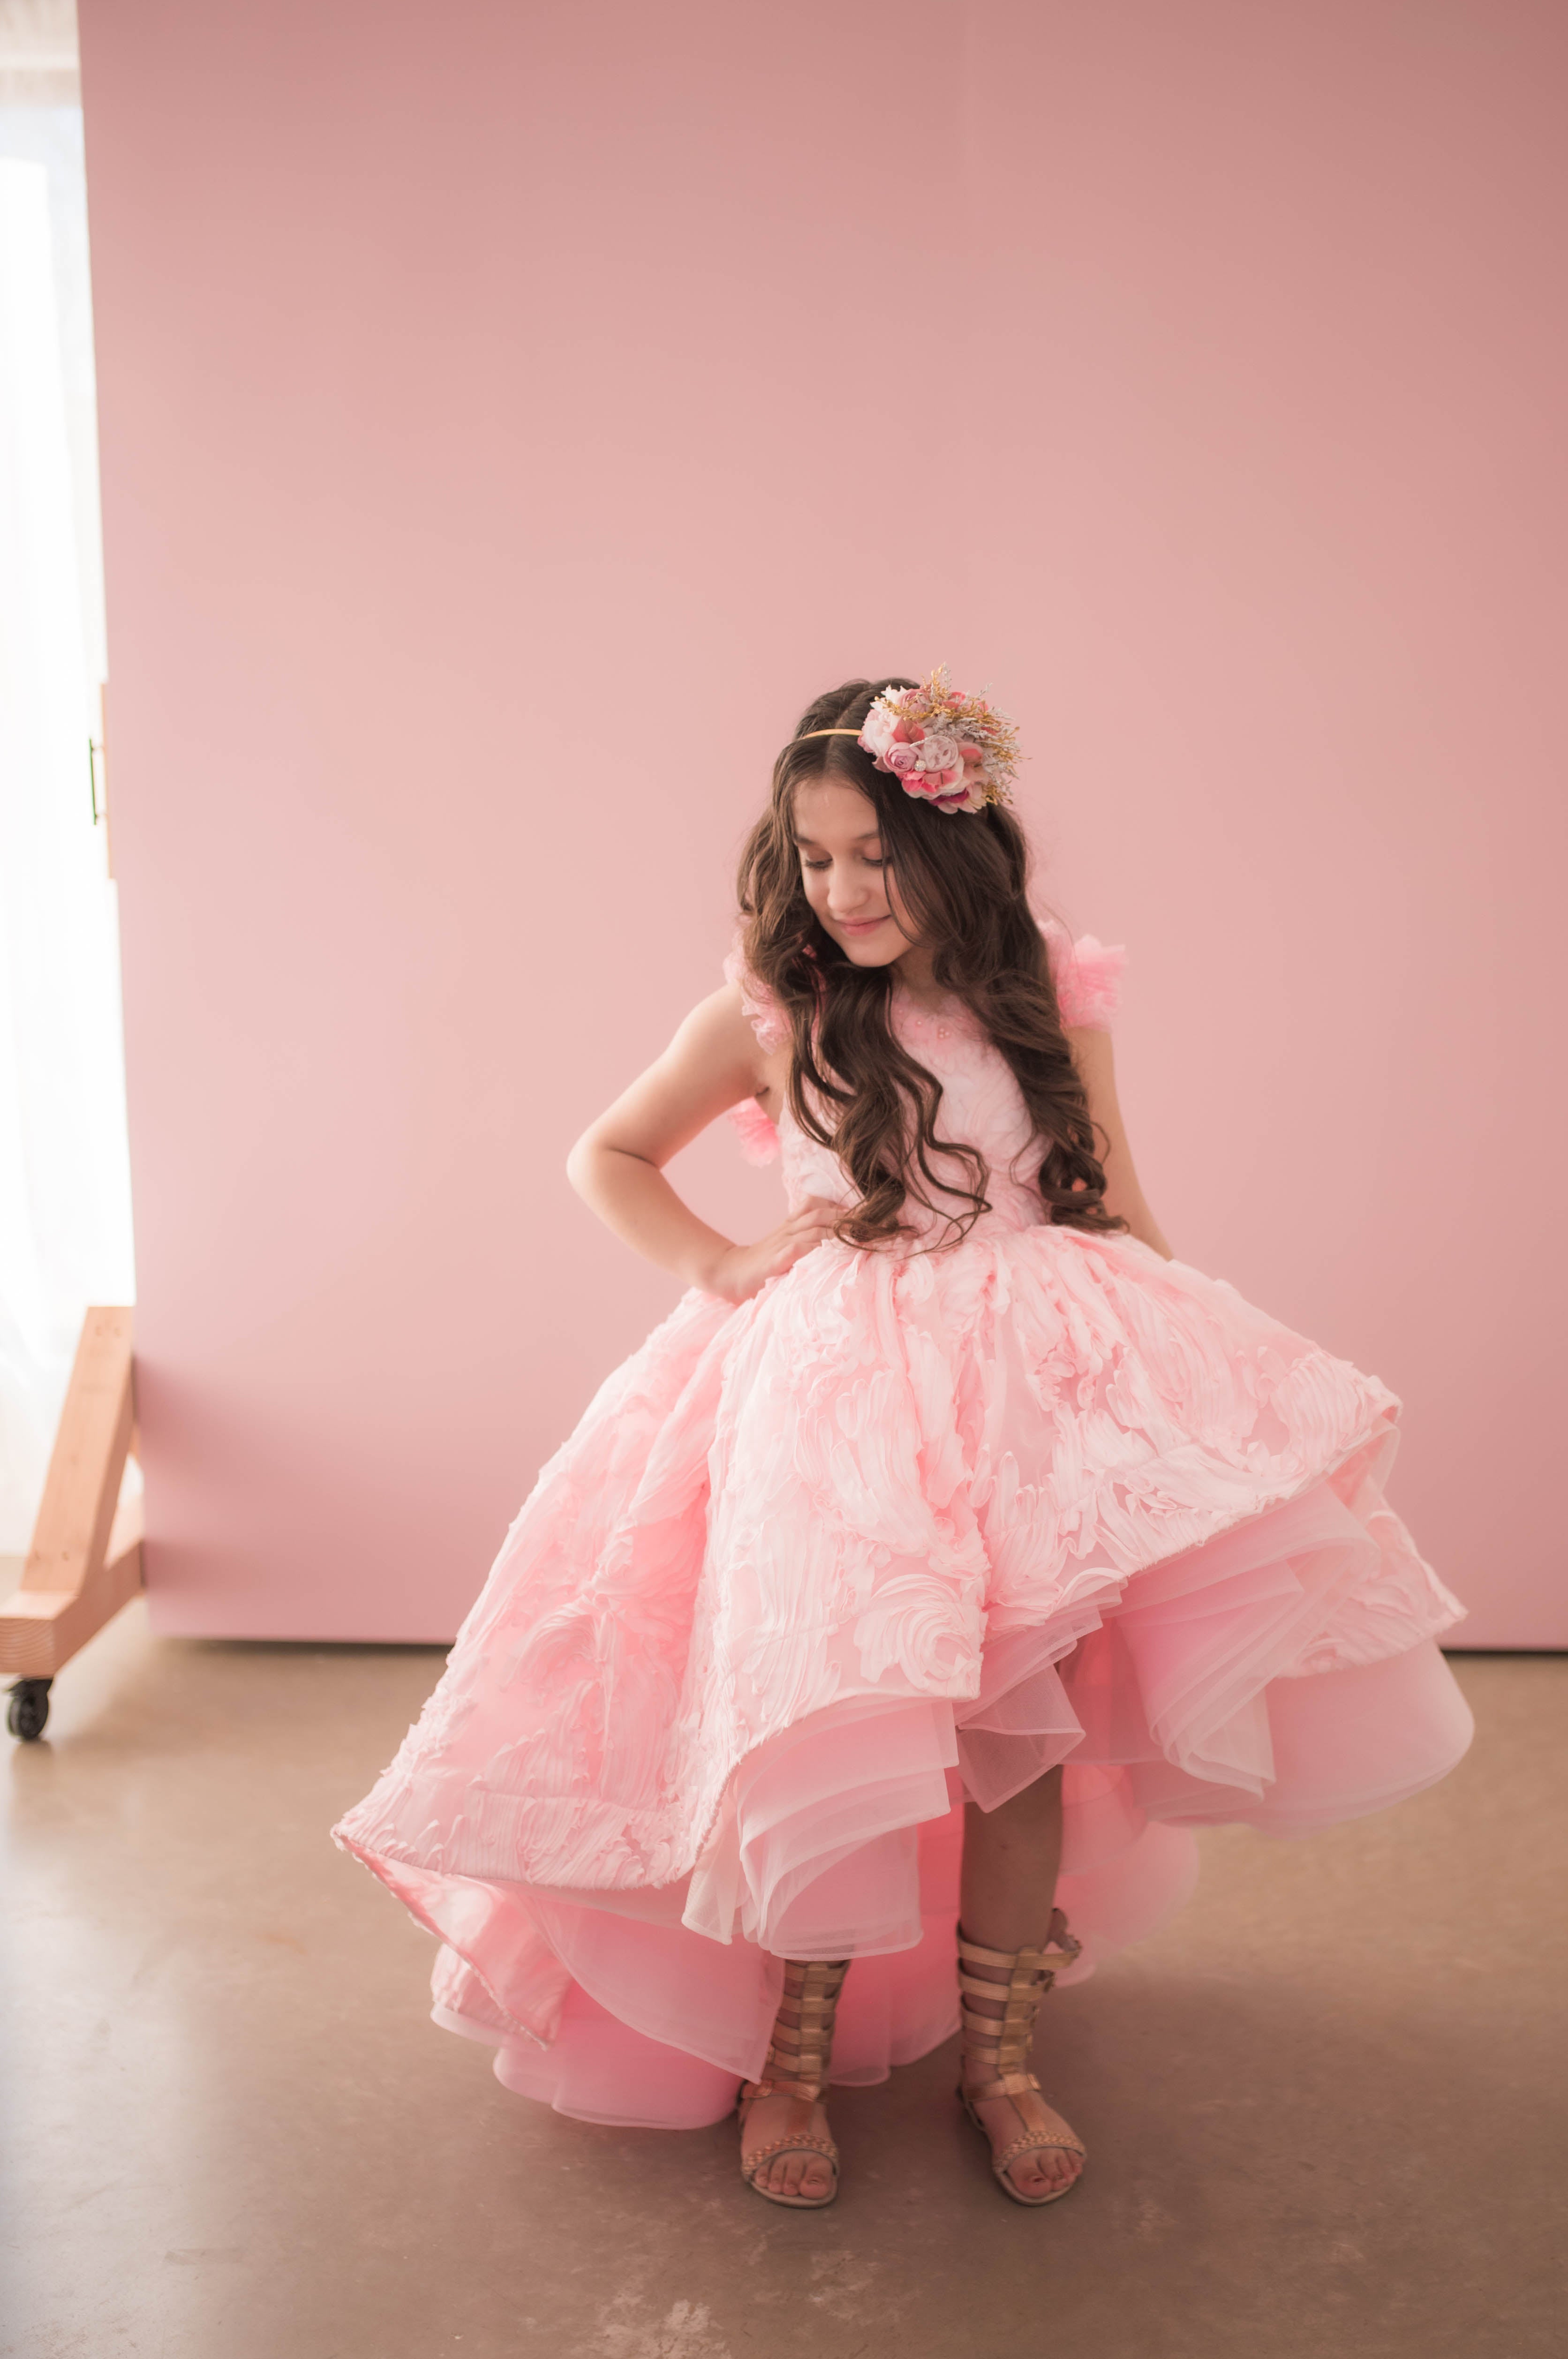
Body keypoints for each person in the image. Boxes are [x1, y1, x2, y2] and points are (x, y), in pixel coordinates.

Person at [335, 670, 1473, 2211]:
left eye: (873, 853)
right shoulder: (773, 1005)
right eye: (814, 857)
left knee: (1022, 1735)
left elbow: (1109, 1193)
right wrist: (721, 1262)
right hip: (841, 1399)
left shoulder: (1048, 991)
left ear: (951, 846)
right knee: (840, 1709)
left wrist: (1196, 1370)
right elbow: (605, 1154)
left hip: (1027, 1396)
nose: (843, 890)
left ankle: (1000, 2059)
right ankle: (792, 2058)